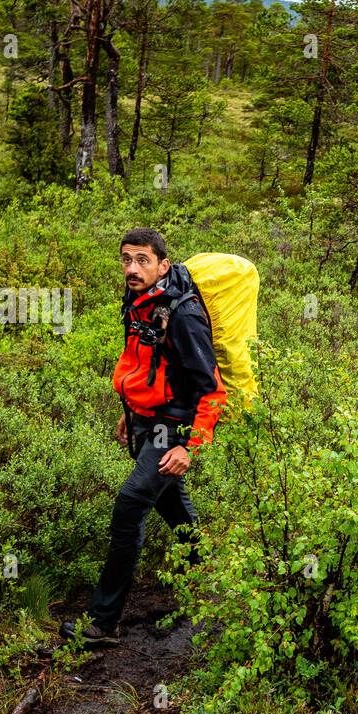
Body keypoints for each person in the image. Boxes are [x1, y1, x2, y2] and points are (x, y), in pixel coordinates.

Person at [60, 228, 226, 646]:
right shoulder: (136, 301)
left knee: (131, 505)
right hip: (144, 421)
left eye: (142, 260)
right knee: (172, 504)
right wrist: (128, 411)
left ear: (163, 266)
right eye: (126, 259)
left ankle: (103, 621)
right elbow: (141, 361)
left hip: (170, 429)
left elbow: (212, 390)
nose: (132, 269)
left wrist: (190, 446)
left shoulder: (183, 315)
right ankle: (209, 583)